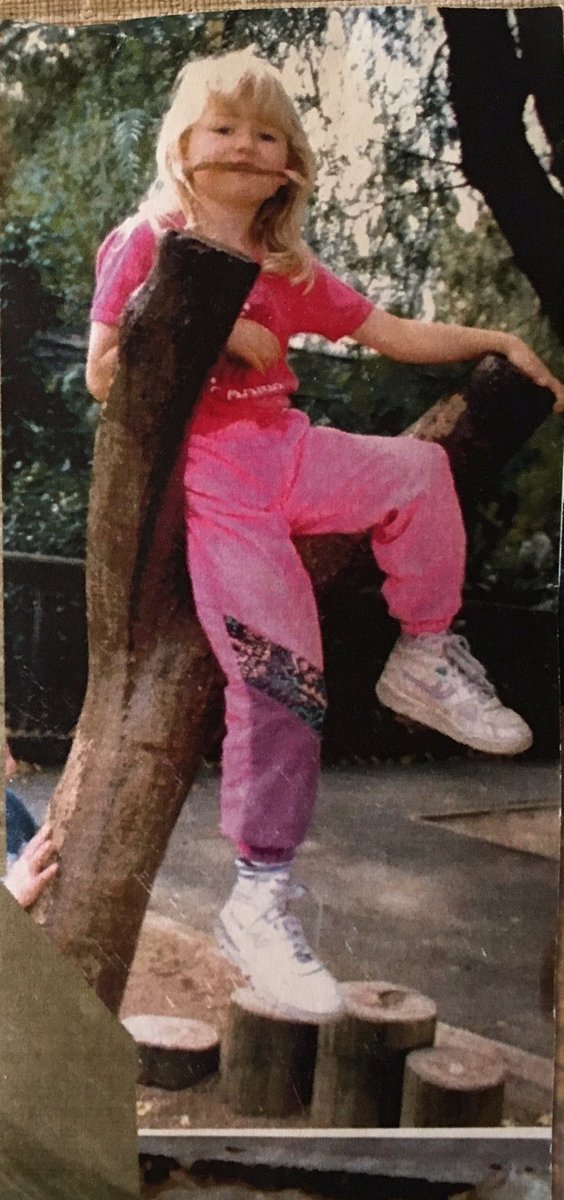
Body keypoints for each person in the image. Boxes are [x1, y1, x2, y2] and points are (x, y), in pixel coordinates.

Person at [85, 49, 564, 1019]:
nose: (246, 144)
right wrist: (216, 328)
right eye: (225, 125)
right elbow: (102, 372)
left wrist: (496, 341)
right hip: (216, 489)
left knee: (418, 472)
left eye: (267, 133)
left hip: (287, 451)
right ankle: (259, 902)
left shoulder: (289, 265)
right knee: (282, 675)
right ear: (184, 142)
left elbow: (385, 329)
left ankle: (426, 654)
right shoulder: (145, 240)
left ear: (289, 164)